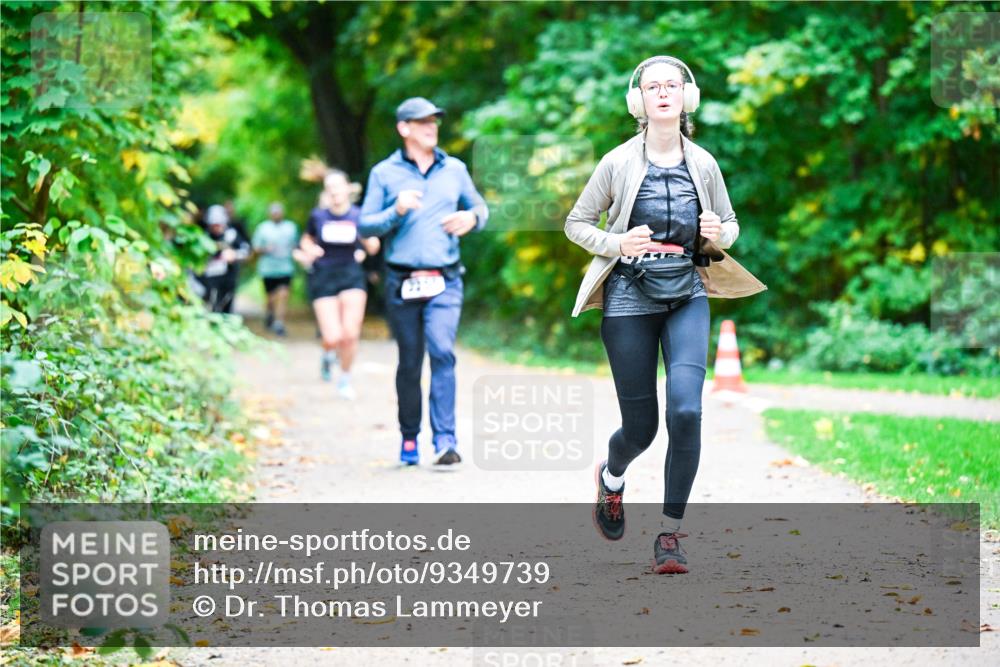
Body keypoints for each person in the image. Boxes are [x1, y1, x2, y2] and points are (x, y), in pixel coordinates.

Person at [564, 56, 766, 574]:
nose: (662, 93)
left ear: (685, 96)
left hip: (686, 295)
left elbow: (730, 222)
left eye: (671, 85)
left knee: (686, 412)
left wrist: (721, 234)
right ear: (640, 101)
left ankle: (670, 534)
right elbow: (576, 222)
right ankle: (611, 480)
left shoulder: (704, 163)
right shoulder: (617, 162)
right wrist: (616, 241)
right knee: (642, 429)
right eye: (652, 86)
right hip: (629, 297)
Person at [359, 97, 488, 468]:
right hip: (401, 281)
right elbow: (365, 225)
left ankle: (446, 440)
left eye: (434, 121)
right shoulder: (384, 173)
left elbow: (480, 208)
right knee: (410, 362)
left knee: (442, 350)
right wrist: (394, 210)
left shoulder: (455, 169)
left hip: (444, 279)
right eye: (422, 122)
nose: (432, 127)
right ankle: (410, 437)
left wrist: (471, 218)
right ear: (404, 128)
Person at [298, 169, 380, 400]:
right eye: (329, 187)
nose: (334, 191)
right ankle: (327, 354)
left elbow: (373, 245)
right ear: (326, 192)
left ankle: (344, 379)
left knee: (350, 333)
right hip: (324, 276)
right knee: (332, 336)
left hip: (351, 276)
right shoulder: (318, 216)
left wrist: (368, 243)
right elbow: (306, 239)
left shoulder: (358, 215)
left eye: (338, 186)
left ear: (347, 189)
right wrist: (309, 249)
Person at [252, 202, 298, 336]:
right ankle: (270, 314)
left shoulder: (291, 227)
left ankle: (279, 323)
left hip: (285, 268)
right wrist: (266, 249)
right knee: (270, 298)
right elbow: (255, 248)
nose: (276, 214)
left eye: (278, 211)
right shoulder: (263, 228)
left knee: (283, 295)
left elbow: (295, 245)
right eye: (274, 212)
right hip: (268, 269)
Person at [198, 204, 252, 314]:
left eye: (219, 225)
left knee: (226, 304)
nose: (217, 228)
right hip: (209, 278)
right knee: (211, 304)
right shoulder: (204, 237)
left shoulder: (232, 235)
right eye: (214, 225)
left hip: (228, 277)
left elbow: (246, 250)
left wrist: (234, 254)